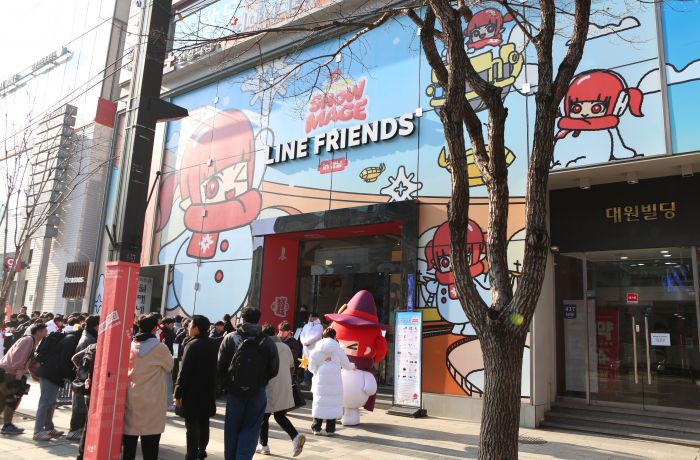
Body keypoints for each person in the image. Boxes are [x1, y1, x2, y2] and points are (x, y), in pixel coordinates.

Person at [217, 307, 279, 459]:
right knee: (251, 428)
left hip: (234, 391)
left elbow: (220, 365)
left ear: (242, 319)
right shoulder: (267, 341)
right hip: (257, 391)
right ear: (258, 319)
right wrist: (261, 380)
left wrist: (228, 382)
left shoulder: (230, 338)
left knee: (232, 429)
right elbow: (274, 369)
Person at [122, 314, 174, 460]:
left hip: (131, 396)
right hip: (153, 399)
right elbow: (169, 366)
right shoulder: (161, 348)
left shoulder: (130, 346)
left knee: (129, 445)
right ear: (154, 329)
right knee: (151, 445)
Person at [256, 324, 305, 457]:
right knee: (279, 416)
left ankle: (264, 445)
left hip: (270, 385)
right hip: (285, 384)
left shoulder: (264, 346)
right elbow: (291, 366)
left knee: (263, 415)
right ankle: (295, 437)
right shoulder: (285, 347)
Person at [174, 315, 218, 460]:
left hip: (192, 391)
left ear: (197, 329)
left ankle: (191, 454)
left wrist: (177, 393)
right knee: (204, 422)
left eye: (190, 325)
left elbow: (184, 371)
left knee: (191, 426)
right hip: (208, 389)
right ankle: (202, 450)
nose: (188, 327)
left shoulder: (192, 345)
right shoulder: (213, 344)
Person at [0, 323, 48, 435]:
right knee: (11, 399)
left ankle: (7, 425)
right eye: (45, 331)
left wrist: (32, 374)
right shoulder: (29, 341)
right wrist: (19, 372)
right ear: (38, 332)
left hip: (7, 371)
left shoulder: (30, 340)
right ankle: (7, 425)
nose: (47, 333)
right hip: (10, 373)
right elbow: (19, 356)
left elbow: (27, 359)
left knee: (3, 399)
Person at [308, 328, 355, 436]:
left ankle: (316, 428)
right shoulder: (338, 350)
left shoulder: (316, 349)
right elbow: (346, 365)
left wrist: (317, 372)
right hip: (334, 381)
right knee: (333, 403)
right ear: (334, 337)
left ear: (323, 336)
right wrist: (353, 366)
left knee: (320, 402)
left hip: (320, 380)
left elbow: (311, 367)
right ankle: (330, 429)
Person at [33, 324, 68, 441]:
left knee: (51, 402)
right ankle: (38, 431)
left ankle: (48, 428)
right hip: (50, 374)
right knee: (45, 402)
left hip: (51, 373)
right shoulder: (68, 340)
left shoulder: (62, 339)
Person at [67, 315, 98, 442]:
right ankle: (74, 431)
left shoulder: (89, 336)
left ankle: (77, 430)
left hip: (84, 377)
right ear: (96, 326)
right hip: (83, 378)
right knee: (80, 405)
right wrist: (84, 371)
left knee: (81, 405)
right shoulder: (88, 340)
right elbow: (75, 358)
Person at [71, 342, 96, 460]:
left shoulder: (92, 346)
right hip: (100, 391)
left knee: (88, 425)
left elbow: (75, 358)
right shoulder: (108, 347)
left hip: (89, 390)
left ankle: (81, 455)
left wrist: (84, 373)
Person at [299, 312, 323, 385]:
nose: (309, 318)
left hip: (314, 348)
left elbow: (317, 336)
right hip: (305, 349)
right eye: (309, 317)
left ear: (315, 318)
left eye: (311, 317)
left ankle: (313, 381)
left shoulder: (319, 326)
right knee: (306, 364)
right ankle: (306, 380)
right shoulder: (306, 325)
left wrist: (308, 342)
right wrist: (303, 342)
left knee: (314, 364)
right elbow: (302, 335)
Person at [161, 317, 176, 411]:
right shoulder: (165, 333)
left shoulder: (168, 332)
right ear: (166, 324)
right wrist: (175, 356)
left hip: (166, 357)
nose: (173, 325)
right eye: (171, 323)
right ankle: (168, 403)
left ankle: (167, 402)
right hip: (167, 357)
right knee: (168, 381)